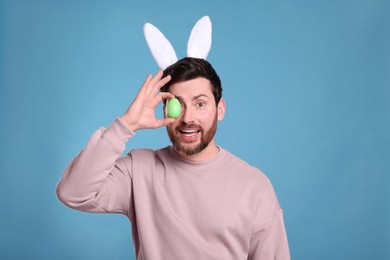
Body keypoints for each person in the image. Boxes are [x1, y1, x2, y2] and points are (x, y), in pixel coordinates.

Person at [56, 57, 290, 259]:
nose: (188, 118)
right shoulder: (139, 170)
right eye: (176, 104)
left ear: (220, 109)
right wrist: (126, 124)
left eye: (200, 104)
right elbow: (73, 192)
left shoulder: (254, 186)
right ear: (165, 108)